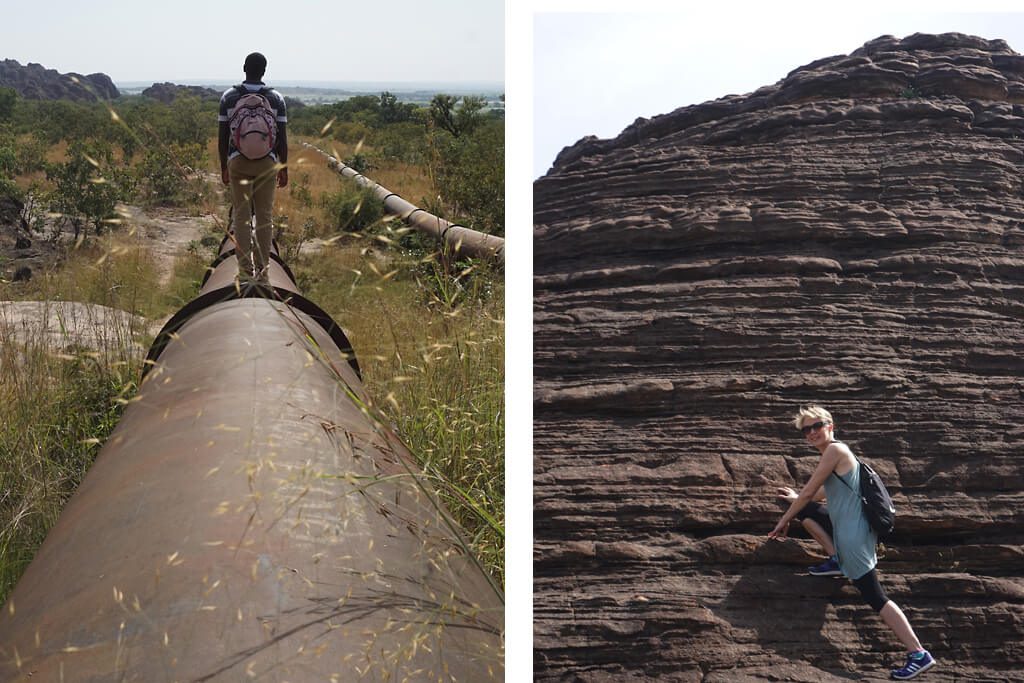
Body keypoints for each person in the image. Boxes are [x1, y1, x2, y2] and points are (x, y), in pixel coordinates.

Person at [768, 405, 936, 680]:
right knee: (807, 513)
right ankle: (836, 560)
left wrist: (783, 519)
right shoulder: (834, 455)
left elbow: (811, 489)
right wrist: (796, 500)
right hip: (846, 529)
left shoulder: (835, 450)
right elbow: (819, 494)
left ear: (830, 425)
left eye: (816, 425)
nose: (811, 432)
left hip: (854, 536)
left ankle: (918, 653)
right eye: (806, 429)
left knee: (875, 596)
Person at [218, 52, 288, 283]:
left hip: (237, 162)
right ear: (264, 71)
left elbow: (222, 136)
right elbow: (282, 138)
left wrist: (224, 167)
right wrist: (284, 168)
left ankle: (246, 272)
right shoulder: (276, 98)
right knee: (265, 217)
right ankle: (264, 272)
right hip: (267, 163)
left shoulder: (229, 97)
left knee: (241, 217)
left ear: (244, 68)